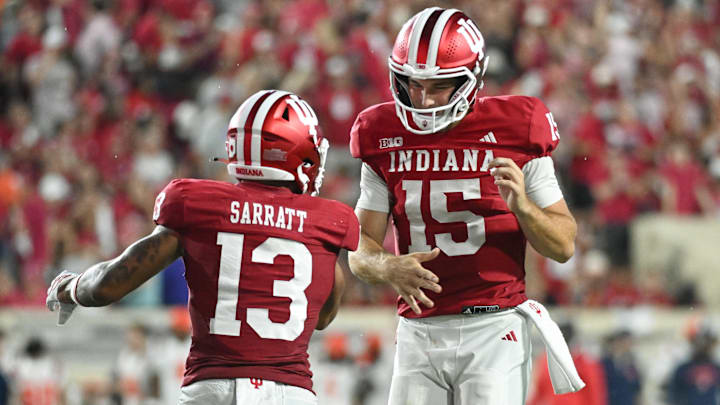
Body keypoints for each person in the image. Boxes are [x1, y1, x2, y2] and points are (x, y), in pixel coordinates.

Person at [46, 90, 360, 405]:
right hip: (290, 393)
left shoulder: (197, 204)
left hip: (212, 388)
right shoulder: (327, 221)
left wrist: (69, 287)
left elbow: (106, 286)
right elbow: (322, 317)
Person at [347, 7, 580, 405]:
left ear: (473, 79)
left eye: (439, 86)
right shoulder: (380, 133)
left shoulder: (518, 126)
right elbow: (359, 249)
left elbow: (563, 246)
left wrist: (523, 208)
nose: (422, 99)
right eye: (411, 84)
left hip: (494, 327)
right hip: (418, 329)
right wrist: (388, 266)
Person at [666, 327, 720, 405]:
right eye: (699, 341)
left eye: (707, 341)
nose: (703, 345)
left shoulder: (717, 368)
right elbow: (673, 396)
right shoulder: (682, 369)